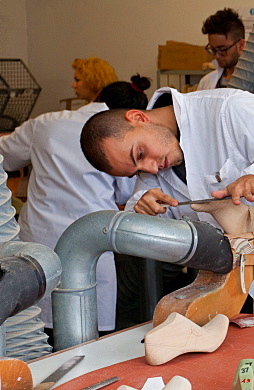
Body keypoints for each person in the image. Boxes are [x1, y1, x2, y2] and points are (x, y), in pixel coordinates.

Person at [79, 87, 254, 328]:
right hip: (239, 281)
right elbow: (154, 218)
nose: (150, 167)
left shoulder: (229, 109)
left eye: (140, 154)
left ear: (138, 118)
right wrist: (141, 207)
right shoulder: (153, 168)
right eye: (136, 170)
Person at [0, 74, 152, 336]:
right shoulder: (122, 139)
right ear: (134, 115)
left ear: (96, 98)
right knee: (87, 333)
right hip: (92, 242)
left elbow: (6, 156)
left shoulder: (46, 123)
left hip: (39, 242)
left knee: (34, 332)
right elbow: (127, 195)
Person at [197, 8, 245, 90]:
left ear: (241, 45)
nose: (217, 56)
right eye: (213, 49)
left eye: (223, 49)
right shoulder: (206, 82)